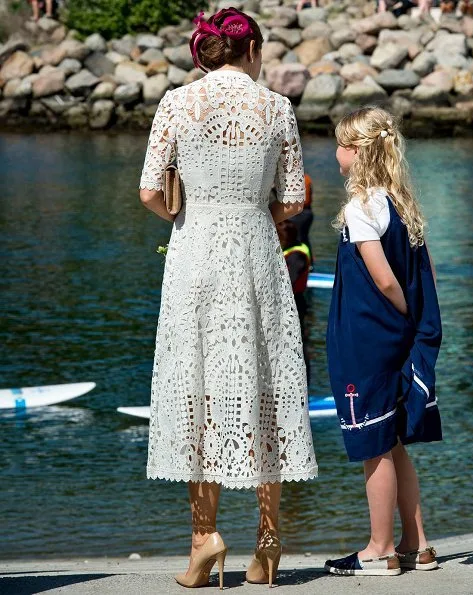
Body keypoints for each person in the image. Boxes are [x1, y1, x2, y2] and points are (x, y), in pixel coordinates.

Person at [139, 8, 317, 589]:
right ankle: (268, 548)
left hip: (195, 256)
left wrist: (181, 213)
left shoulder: (176, 103)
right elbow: (292, 200)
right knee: (264, 385)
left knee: (196, 388)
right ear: (253, 50)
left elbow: (148, 191)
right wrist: (254, 213)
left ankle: (203, 539)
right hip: (255, 252)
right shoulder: (276, 108)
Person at [324, 107, 442, 576]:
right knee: (394, 442)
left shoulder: (361, 207)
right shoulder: (402, 201)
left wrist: (400, 315)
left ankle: (380, 549)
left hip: (370, 338)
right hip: (401, 339)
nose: (335, 152)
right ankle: (418, 545)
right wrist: (414, 325)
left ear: (356, 153)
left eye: (340, 145)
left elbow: (385, 280)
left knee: (373, 443)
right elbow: (425, 272)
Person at [277, 219, 312, 381]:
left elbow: (289, 282)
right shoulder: (295, 250)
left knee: (297, 344)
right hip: (291, 303)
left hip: (295, 304)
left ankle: (303, 384)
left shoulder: (296, 255)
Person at [290, 172, 314, 266]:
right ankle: (309, 264)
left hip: (299, 212)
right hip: (306, 212)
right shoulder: (306, 177)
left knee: (298, 239)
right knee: (303, 238)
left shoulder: (299, 178)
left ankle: (303, 264)